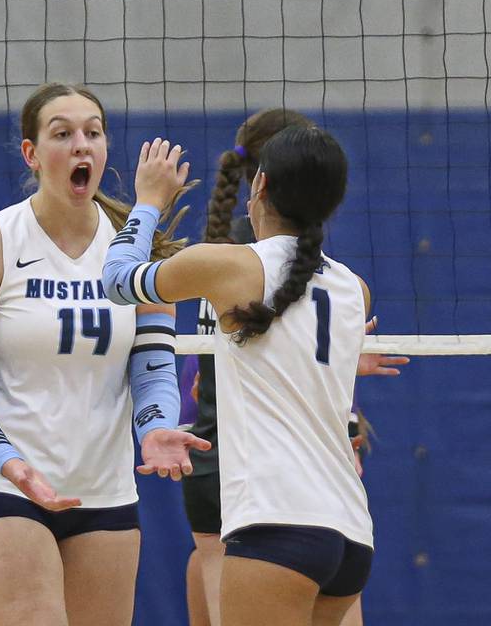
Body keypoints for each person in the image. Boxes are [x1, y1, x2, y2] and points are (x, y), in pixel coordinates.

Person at [0, 82, 210, 626]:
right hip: (4, 489)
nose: (82, 144)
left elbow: (153, 370)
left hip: (103, 494)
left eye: (94, 132)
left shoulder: (135, 252)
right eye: (63, 134)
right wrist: (12, 464)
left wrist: (154, 429)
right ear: (33, 154)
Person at [103, 127, 382, 625]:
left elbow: (119, 281)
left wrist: (148, 202)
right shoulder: (353, 289)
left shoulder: (230, 266)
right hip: (351, 536)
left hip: (278, 526)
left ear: (260, 186)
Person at [183, 109, 408, 626]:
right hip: (275, 486)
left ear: (258, 180)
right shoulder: (313, 273)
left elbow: (200, 368)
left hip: (259, 488)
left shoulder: (231, 258)